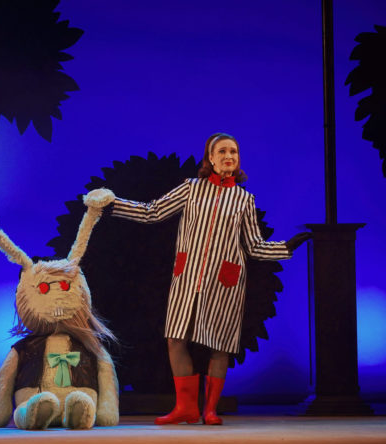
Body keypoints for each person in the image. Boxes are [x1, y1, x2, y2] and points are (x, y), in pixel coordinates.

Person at [105, 133, 310, 425]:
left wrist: (285, 248)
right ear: (210, 158)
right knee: (176, 338)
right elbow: (153, 212)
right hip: (188, 278)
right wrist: (113, 204)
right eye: (222, 151)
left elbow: (253, 246)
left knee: (219, 345)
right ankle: (186, 407)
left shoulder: (244, 199)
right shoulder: (190, 188)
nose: (229, 156)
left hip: (224, 282)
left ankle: (210, 410)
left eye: (234, 152)